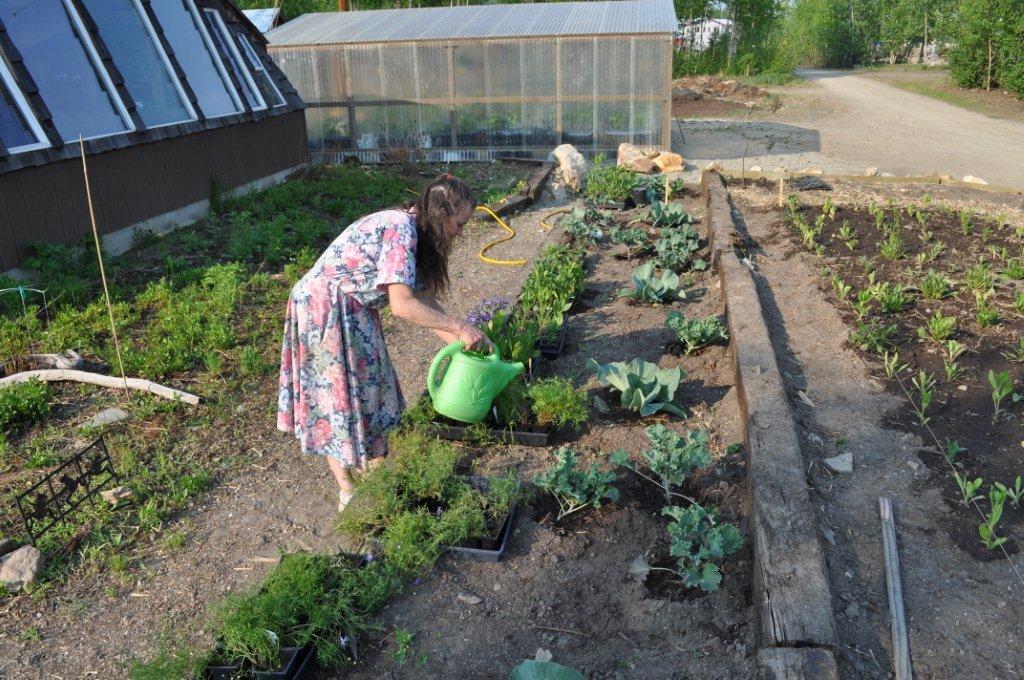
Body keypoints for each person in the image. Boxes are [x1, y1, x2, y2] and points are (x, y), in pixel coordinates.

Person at [277, 174, 487, 511]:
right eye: (459, 223)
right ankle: (348, 491)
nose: (461, 231)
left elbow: (427, 304)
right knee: (335, 398)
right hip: (325, 307)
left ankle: (376, 478)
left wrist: (473, 349)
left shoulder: (422, 238)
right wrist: (460, 326)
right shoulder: (400, 229)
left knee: (376, 391)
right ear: (440, 213)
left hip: (353, 308)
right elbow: (403, 306)